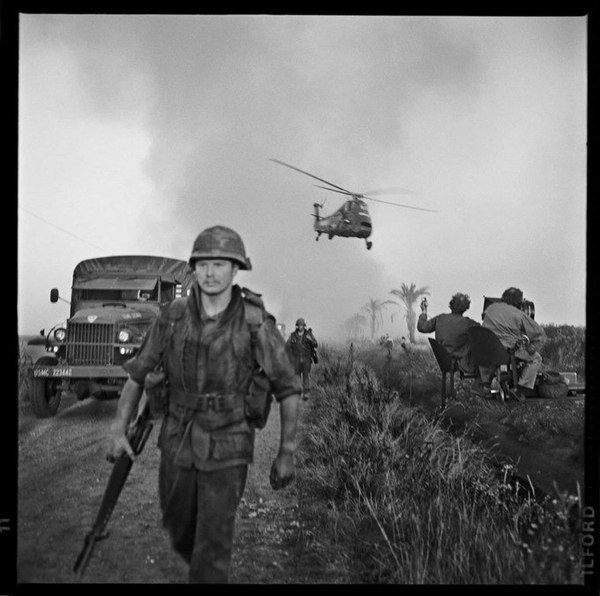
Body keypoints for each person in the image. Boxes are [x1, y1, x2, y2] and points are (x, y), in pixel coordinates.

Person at [106, 225, 301, 584]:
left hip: (230, 442)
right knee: (178, 528)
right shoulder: (172, 316)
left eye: (220, 264)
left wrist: (286, 451)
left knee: (212, 543)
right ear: (194, 268)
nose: (211, 273)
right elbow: (138, 374)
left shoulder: (255, 322)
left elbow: (289, 389)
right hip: (177, 439)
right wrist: (119, 429)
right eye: (203, 264)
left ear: (236, 269)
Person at [482, 286, 546, 399]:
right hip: (507, 351)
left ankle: (486, 385)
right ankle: (520, 388)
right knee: (536, 359)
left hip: (488, 350)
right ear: (519, 301)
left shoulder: (490, 308)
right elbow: (539, 333)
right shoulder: (519, 314)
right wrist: (532, 347)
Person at [417, 293, 480, 375]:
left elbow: (422, 327)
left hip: (442, 361)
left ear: (451, 304)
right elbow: (484, 333)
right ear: (466, 307)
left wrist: (424, 311)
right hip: (461, 364)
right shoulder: (469, 323)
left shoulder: (440, 318)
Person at [285, 318, 318, 400]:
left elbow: (315, 344)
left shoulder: (308, 334)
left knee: (306, 375)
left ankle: (306, 393)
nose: (300, 327)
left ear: (304, 326)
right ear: (297, 326)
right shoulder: (293, 335)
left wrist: (311, 340)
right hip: (296, 359)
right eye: (299, 325)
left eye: (301, 325)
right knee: (297, 376)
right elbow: (287, 346)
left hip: (306, 358)